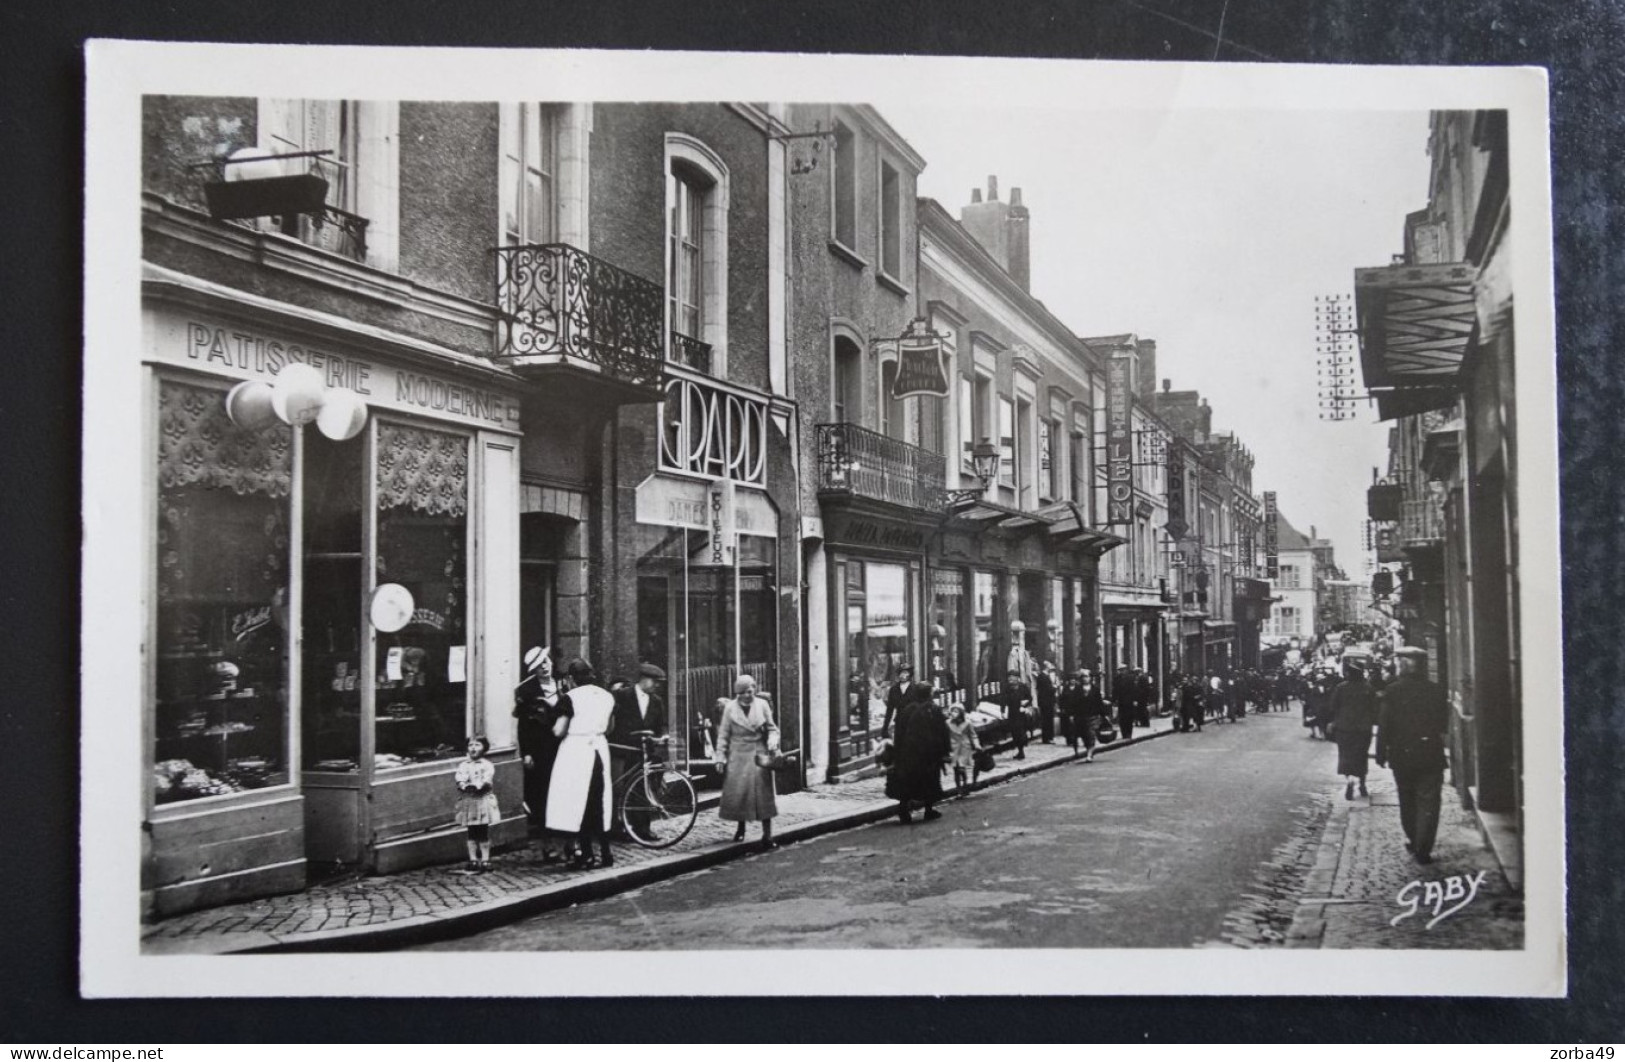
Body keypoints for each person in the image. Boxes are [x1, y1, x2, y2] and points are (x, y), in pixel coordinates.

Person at [1375, 647, 1450, 864]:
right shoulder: (1435, 690)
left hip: (1402, 755)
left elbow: (1384, 724)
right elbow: (1443, 724)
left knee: (1406, 799)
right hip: (1430, 753)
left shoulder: (1393, 691)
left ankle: (1413, 836)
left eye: (1399, 662)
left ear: (1403, 666)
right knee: (1429, 802)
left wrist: (1381, 753)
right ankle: (1423, 847)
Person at [546, 659, 616, 870]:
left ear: (571, 678)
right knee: (600, 802)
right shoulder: (606, 696)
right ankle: (605, 853)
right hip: (599, 750)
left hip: (576, 751)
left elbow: (559, 730)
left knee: (579, 803)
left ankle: (585, 855)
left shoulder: (570, 698)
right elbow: (611, 727)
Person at [513, 646, 569, 863]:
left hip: (564, 746)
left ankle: (566, 844)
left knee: (563, 795)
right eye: (539, 666)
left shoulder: (564, 685)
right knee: (542, 796)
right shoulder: (526, 691)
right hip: (540, 749)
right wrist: (526, 753)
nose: (544, 667)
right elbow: (523, 726)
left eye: (546, 662)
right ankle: (548, 845)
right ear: (533, 670)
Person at [716, 674, 780, 850]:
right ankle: (740, 828)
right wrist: (720, 757)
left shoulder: (763, 705)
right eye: (744, 692)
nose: (748, 695)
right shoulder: (730, 709)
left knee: (764, 796)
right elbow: (723, 734)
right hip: (738, 755)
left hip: (758, 754)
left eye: (751, 690)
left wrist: (773, 740)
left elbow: (772, 728)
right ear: (738, 693)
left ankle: (767, 835)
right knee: (740, 795)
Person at [609, 662, 669, 840]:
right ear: (643, 679)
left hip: (645, 751)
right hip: (623, 750)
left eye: (659, 682)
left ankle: (643, 828)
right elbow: (610, 721)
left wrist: (660, 738)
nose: (657, 685)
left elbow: (660, 726)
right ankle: (620, 827)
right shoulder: (621, 696)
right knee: (620, 788)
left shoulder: (657, 701)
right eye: (654, 681)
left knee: (645, 789)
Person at [888, 683, 951, 822]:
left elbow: (899, 732)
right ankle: (928, 810)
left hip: (908, 754)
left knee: (908, 782)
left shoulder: (906, 710)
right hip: (928, 755)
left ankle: (903, 810)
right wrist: (944, 751)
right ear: (928, 694)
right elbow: (942, 732)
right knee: (930, 781)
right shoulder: (933, 709)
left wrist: (897, 753)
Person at [1331, 660, 1378, 800]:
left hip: (1344, 729)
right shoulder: (1368, 688)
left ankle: (1349, 781)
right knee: (1361, 756)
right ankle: (1362, 783)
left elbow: (1333, 706)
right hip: (1363, 729)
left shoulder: (1341, 688)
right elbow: (1374, 709)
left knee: (1346, 756)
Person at [453, 735, 500, 872]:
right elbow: (460, 777)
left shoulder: (487, 765)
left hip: (482, 801)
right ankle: (473, 859)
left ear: (484, 748)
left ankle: (485, 859)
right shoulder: (464, 765)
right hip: (470, 802)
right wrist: (463, 784)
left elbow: (487, 779)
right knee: (471, 832)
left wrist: (478, 786)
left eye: (477, 745)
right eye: (470, 745)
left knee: (483, 832)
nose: (473, 748)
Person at [1058, 669, 1102, 761]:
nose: (1085, 679)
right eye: (1084, 677)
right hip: (1080, 716)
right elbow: (1072, 703)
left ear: (1090, 678)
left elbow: (1099, 703)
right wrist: (1071, 714)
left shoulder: (1095, 689)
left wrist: (1103, 715)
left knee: (1091, 734)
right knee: (1084, 735)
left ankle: (1089, 755)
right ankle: (1088, 749)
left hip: (1092, 716)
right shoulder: (1077, 690)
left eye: (1087, 677)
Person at [998, 667, 1034, 759]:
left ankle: (1021, 751)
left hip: (1021, 713)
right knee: (1014, 732)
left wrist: (1025, 704)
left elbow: (1030, 698)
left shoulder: (1023, 687)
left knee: (1021, 732)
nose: (1010, 679)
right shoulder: (1007, 688)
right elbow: (1003, 700)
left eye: (1012, 677)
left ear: (1017, 678)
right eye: (1009, 678)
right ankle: (1019, 750)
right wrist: (1002, 711)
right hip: (1012, 712)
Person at [946, 702, 982, 791]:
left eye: (956, 711)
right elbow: (944, 736)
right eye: (952, 711)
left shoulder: (968, 723)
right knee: (956, 769)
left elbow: (973, 735)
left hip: (964, 747)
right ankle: (959, 789)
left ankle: (965, 784)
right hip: (953, 747)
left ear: (961, 713)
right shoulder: (947, 723)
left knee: (961, 768)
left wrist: (977, 745)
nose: (954, 713)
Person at [880, 662, 915, 738]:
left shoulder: (915, 689)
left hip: (913, 725)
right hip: (899, 724)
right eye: (901, 673)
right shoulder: (894, 689)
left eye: (905, 673)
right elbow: (889, 710)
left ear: (910, 674)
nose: (902, 675)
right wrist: (885, 727)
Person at [1111, 664, 1138, 741]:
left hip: (1129, 701)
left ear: (1126, 670)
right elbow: (1115, 690)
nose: (1122, 671)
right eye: (1120, 670)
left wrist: (1135, 700)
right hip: (1121, 701)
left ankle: (1129, 734)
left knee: (1129, 718)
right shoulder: (1116, 679)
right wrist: (1113, 700)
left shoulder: (1130, 678)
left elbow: (1134, 690)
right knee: (1122, 718)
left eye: (1123, 670)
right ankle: (1124, 734)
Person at [1035, 661, 1058, 744]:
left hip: (1045, 702)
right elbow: (1048, 690)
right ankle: (1048, 738)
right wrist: (1054, 687)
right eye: (1049, 666)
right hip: (1046, 702)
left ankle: (1047, 738)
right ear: (1046, 667)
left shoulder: (1042, 676)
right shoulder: (1043, 677)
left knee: (1046, 720)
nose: (1050, 667)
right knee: (1047, 720)